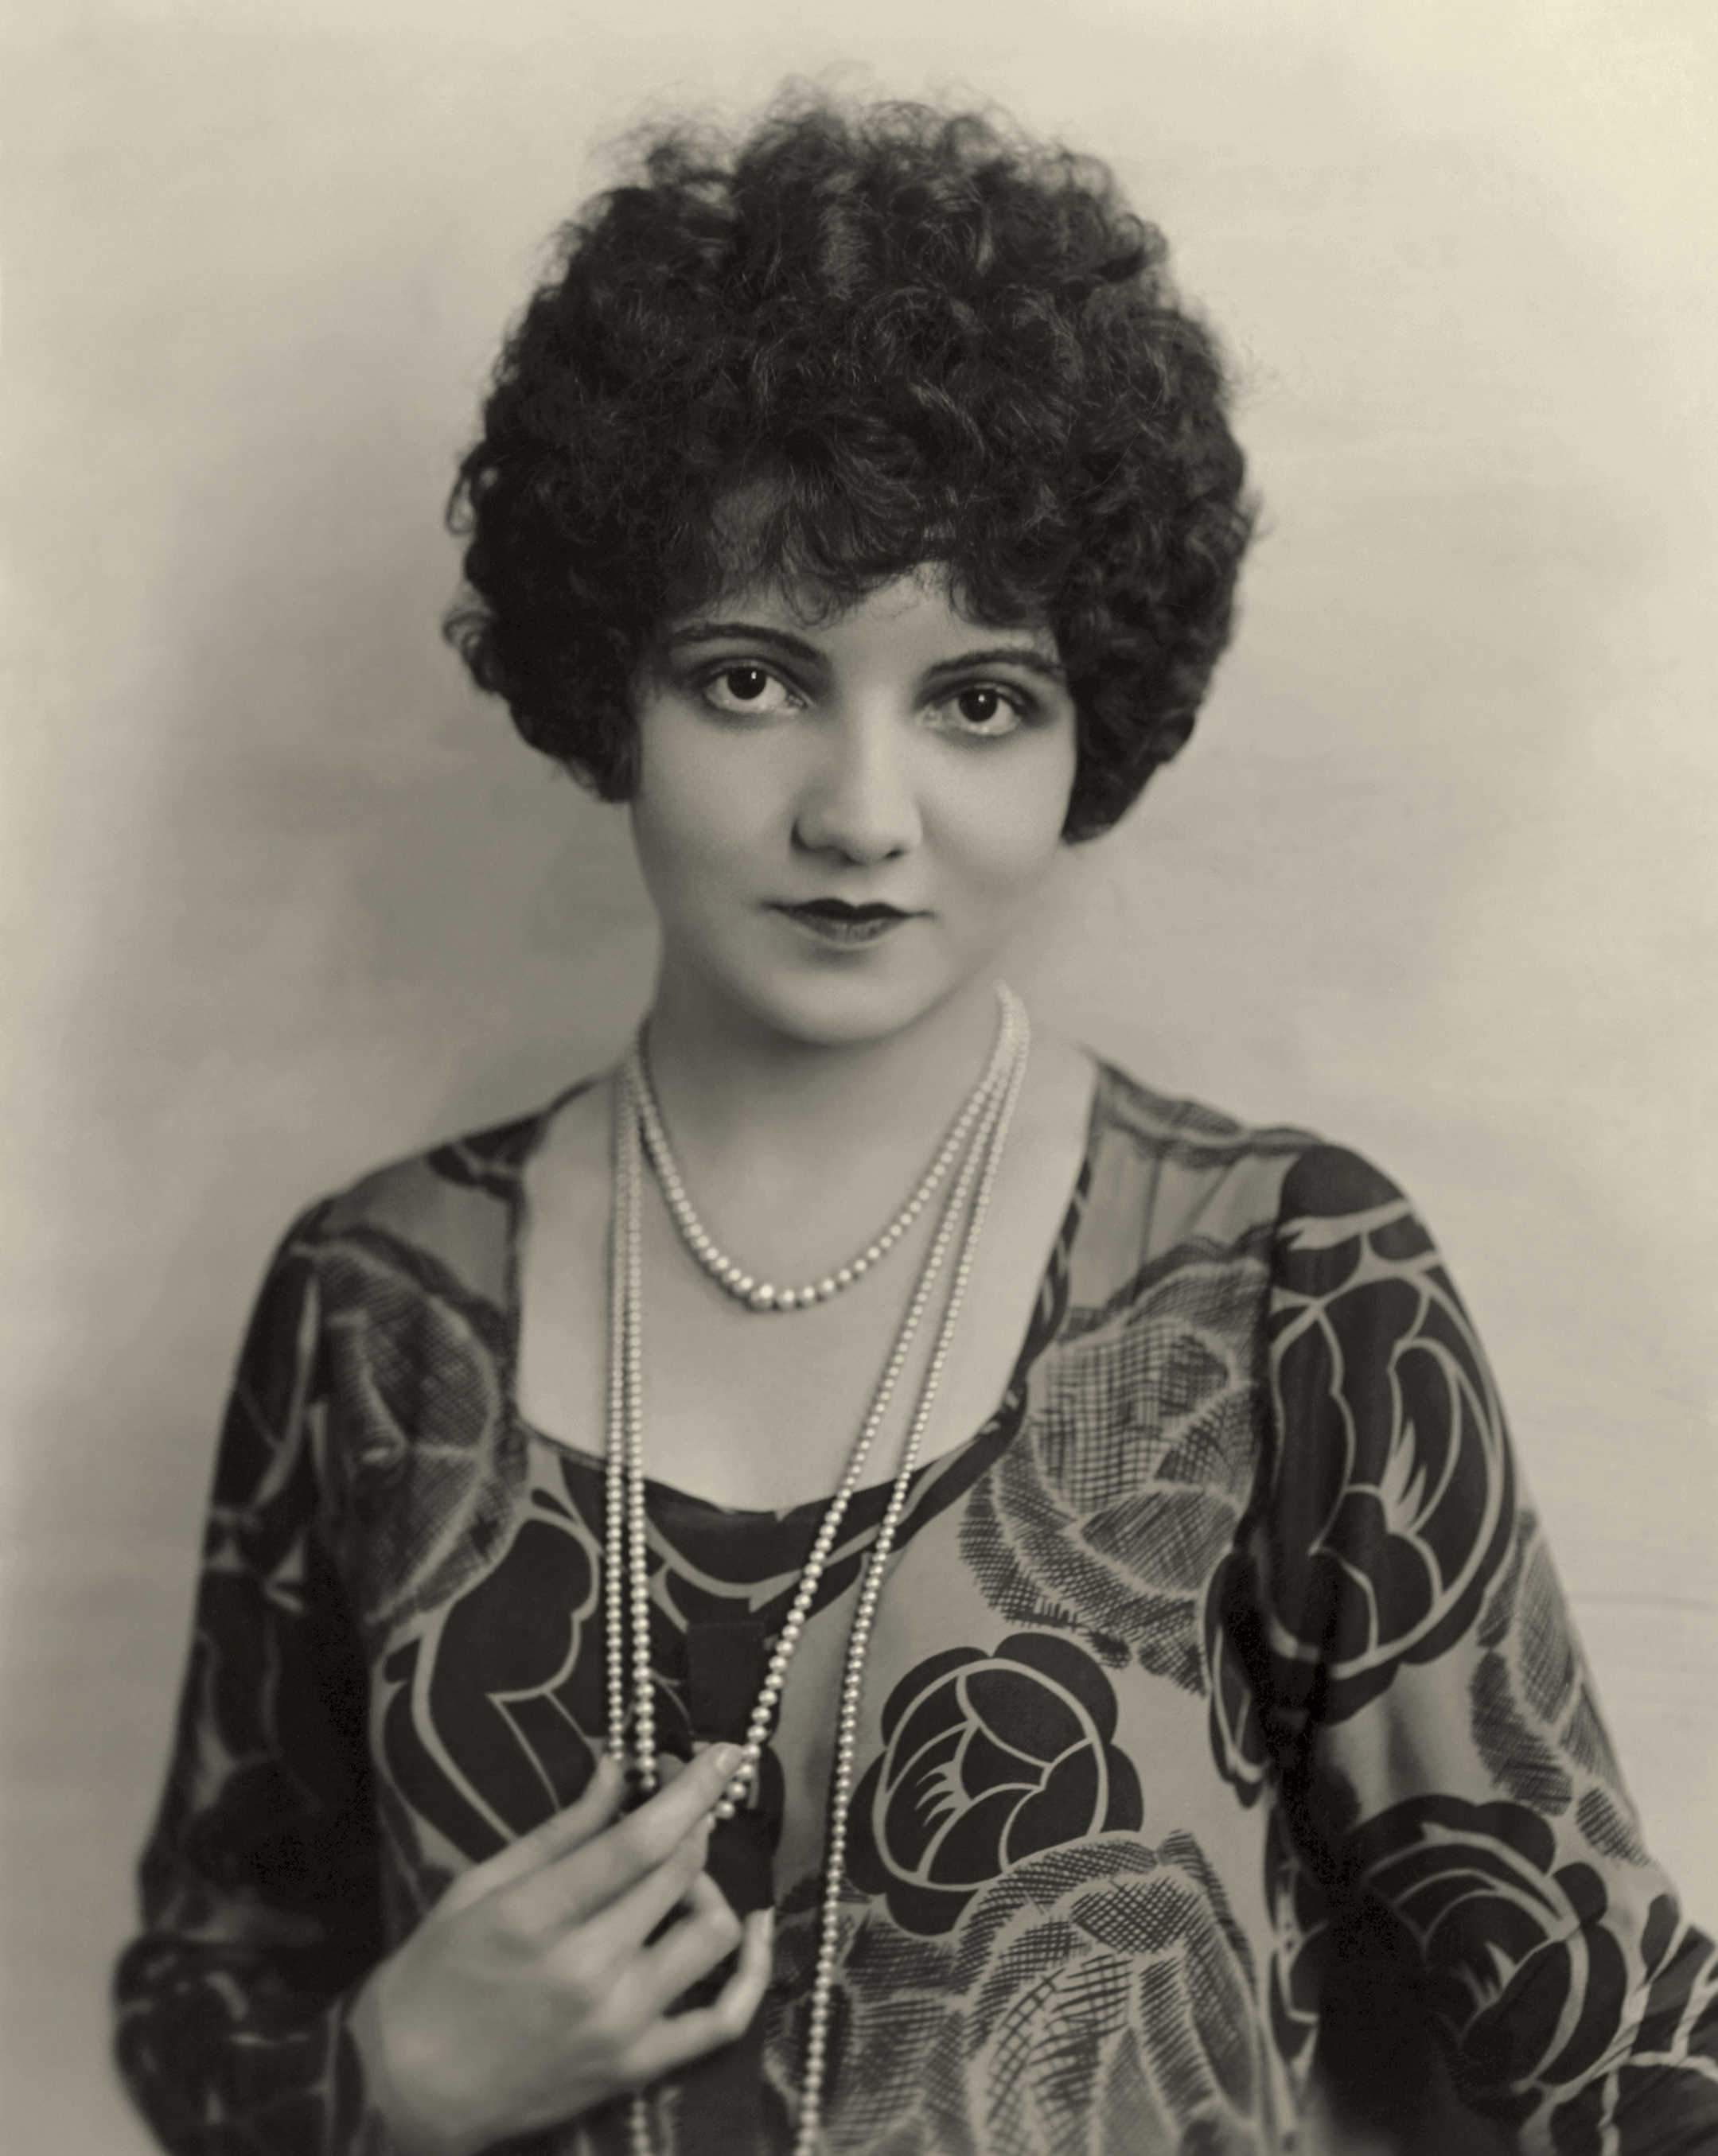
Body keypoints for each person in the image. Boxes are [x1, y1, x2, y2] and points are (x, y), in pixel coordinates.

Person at [113, 94, 1718, 2156]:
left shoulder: (1288, 1293)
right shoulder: (369, 1298)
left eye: (977, 700)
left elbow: (1619, 2056)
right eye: (754, 679)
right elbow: (202, 1985)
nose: (862, 816)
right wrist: (387, 2081)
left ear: (1085, 726)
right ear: (611, 688)